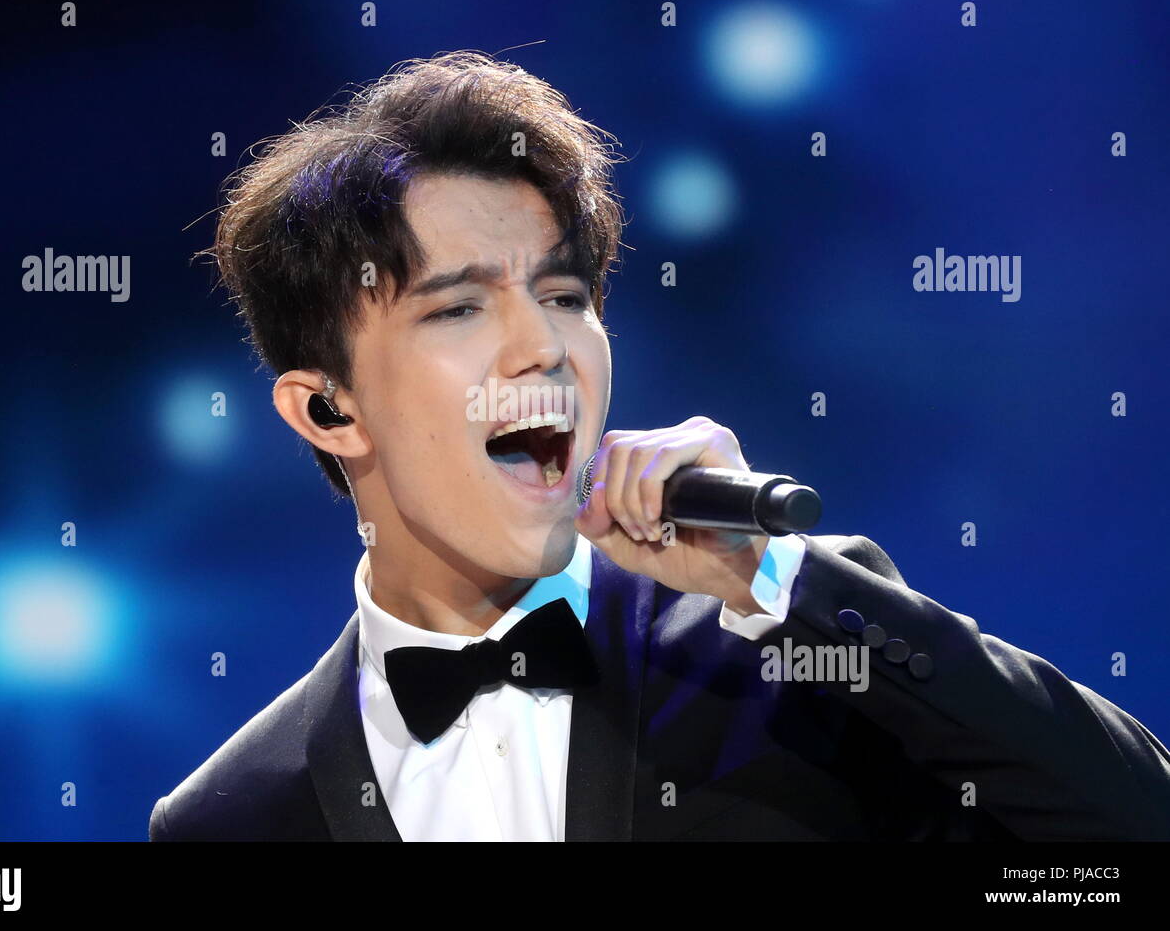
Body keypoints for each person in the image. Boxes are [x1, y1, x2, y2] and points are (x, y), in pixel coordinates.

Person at [149, 51, 1170, 841]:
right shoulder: (230, 813)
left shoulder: (788, 647)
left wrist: (773, 579)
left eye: (563, 295)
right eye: (458, 307)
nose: (543, 345)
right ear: (328, 410)